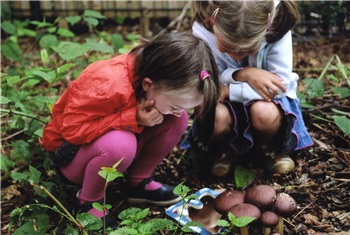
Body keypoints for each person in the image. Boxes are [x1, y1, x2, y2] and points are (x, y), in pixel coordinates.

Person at [39, 32, 220, 228]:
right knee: (120, 145)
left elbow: (172, 114)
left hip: (105, 148)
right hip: (71, 157)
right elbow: (72, 132)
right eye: (176, 106)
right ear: (148, 84)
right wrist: (132, 118)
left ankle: (138, 183)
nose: (177, 112)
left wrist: (142, 118)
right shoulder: (107, 85)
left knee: (177, 121)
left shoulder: (155, 86)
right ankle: (87, 200)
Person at [182, 0, 313, 177]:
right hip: (225, 104)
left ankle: (268, 147)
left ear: (266, 29)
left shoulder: (278, 26)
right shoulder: (203, 30)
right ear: (214, 22)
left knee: (263, 113)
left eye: (247, 50)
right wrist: (242, 74)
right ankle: (227, 148)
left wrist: (231, 90)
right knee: (210, 112)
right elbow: (205, 80)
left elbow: (279, 87)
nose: (235, 55)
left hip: (268, 102)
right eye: (227, 47)